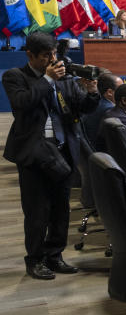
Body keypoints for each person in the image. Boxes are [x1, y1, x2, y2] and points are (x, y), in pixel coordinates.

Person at [2, 32, 101, 279]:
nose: (53, 60)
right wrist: (46, 80)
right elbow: (22, 103)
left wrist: (92, 92)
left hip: (63, 150)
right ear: (30, 55)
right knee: (37, 211)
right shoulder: (15, 76)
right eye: (46, 55)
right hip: (34, 153)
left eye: (54, 54)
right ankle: (34, 259)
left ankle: (55, 255)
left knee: (60, 209)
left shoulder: (64, 79)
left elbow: (84, 108)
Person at [81, 73, 123, 150]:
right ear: (110, 92)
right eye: (121, 89)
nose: (124, 92)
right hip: (102, 152)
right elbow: (122, 134)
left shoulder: (98, 102)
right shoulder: (109, 109)